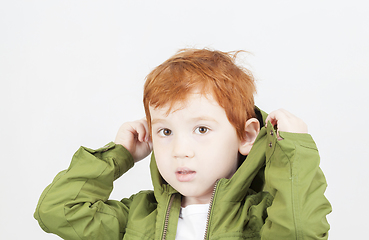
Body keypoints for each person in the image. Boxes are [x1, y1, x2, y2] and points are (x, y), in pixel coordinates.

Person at [34, 49, 331, 239]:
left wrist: (293, 151)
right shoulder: (138, 216)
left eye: (201, 129)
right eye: (165, 132)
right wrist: (119, 155)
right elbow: (58, 210)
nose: (180, 150)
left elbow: (300, 232)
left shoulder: (259, 216)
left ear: (246, 136)